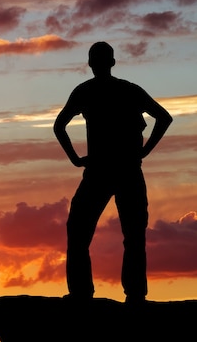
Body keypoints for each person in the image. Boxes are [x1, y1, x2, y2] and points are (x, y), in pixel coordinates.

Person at [53, 41, 172, 304]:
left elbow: (59, 125)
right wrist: (146, 151)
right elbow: (164, 118)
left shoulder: (86, 91)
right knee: (131, 234)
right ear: (112, 62)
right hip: (124, 169)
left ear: (91, 64)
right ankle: (134, 295)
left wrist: (75, 159)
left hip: (103, 170)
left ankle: (84, 294)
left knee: (82, 232)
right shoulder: (128, 90)